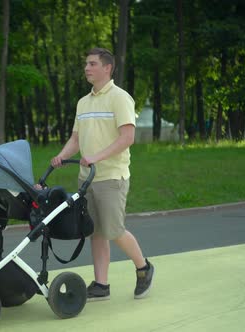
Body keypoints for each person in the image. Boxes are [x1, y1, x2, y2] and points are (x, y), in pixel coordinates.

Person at [50, 47, 154, 301]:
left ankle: (144, 267)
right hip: (86, 179)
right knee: (95, 231)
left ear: (107, 68)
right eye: (86, 63)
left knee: (114, 230)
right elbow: (76, 138)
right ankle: (101, 285)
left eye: (92, 63)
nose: (87, 67)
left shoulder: (120, 98)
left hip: (111, 177)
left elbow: (127, 137)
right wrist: (63, 155)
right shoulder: (83, 102)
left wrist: (97, 156)